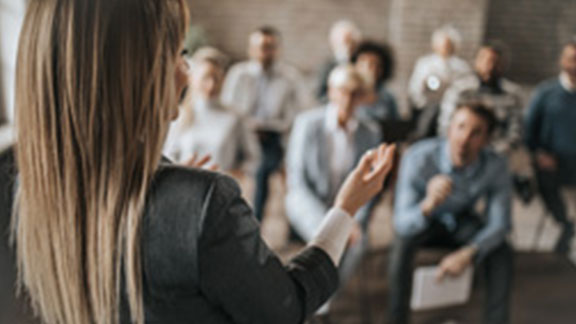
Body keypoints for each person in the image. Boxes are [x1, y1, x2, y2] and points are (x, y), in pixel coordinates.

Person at [8, 1, 397, 324]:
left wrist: (183, 195)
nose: (186, 73)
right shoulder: (204, 200)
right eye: (178, 54)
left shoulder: (28, 191)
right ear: (136, 74)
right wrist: (345, 209)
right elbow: (285, 310)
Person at [389, 103, 513, 324]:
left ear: (486, 140)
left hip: (461, 221)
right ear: (449, 129)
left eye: (476, 133)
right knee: (401, 244)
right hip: (426, 220)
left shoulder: (496, 165)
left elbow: (500, 223)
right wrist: (428, 203)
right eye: (460, 127)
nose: (464, 138)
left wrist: (469, 252)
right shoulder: (418, 157)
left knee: (501, 250)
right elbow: (401, 222)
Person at [286, 64, 382, 275]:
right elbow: (297, 182)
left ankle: (325, 300)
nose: (348, 99)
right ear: (331, 92)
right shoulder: (307, 124)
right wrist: (330, 224)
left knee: (356, 244)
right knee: (328, 241)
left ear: (362, 97)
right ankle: (321, 299)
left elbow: (367, 186)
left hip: (348, 209)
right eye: (343, 91)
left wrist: (353, 221)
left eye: (355, 93)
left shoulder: (370, 132)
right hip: (308, 203)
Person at [221, 26, 310, 222]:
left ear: (277, 49)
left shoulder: (290, 77)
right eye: (260, 46)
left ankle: (256, 222)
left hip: (275, 137)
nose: (265, 51)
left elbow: (298, 114)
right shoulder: (238, 74)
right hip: (242, 136)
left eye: (270, 47)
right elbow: (228, 110)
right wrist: (249, 127)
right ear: (250, 49)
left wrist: (272, 126)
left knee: (263, 167)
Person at [163, 47, 260, 177]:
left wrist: (236, 175)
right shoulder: (178, 115)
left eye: (216, 78)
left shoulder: (236, 117)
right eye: (205, 78)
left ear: (223, 80)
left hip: (223, 189)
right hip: (187, 188)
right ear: (192, 78)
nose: (211, 85)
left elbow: (254, 158)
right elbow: (167, 158)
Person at [524, 41, 576, 255]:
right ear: (562, 61)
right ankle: (566, 225)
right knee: (544, 180)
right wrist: (538, 153)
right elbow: (529, 130)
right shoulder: (546, 92)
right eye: (571, 58)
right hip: (552, 162)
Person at [438, 44, 523, 154]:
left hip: (497, 154)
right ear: (476, 62)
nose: (490, 66)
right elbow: (445, 125)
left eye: (495, 62)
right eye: (486, 61)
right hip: (461, 150)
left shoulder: (513, 95)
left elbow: (516, 131)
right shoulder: (460, 90)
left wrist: (492, 153)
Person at [408, 25, 471, 138]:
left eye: (449, 44)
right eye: (443, 44)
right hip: (430, 105)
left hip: (453, 107)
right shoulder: (425, 64)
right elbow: (416, 89)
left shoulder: (462, 67)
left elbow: (465, 87)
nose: (445, 48)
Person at [352, 41, 399, 130]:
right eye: (363, 62)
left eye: (373, 64)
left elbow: (395, 126)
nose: (367, 68)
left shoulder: (388, 98)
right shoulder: (348, 92)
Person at [316, 20, 363, 103]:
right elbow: (319, 94)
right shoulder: (327, 66)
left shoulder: (360, 64)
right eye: (344, 42)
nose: (347, 47)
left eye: (351, 42)